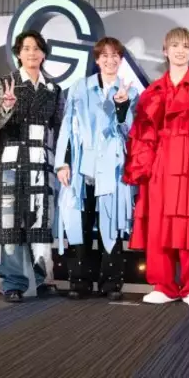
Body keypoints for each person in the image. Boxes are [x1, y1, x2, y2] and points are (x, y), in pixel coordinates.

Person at [123, 27, 189, 307]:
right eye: (175, 45)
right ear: (165, 51)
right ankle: (163, 285)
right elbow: (143, 134)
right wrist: (141, 169)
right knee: (160, 224)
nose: (180, 51)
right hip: (164, 163)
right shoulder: (153, 91)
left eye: (185, 46)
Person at [54, 37, 138, 301]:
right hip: (81, 168)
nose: (110, 60)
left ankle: (111, 283)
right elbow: (67, 126)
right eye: (105, 56)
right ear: (97, 59)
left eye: (115, 56)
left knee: (111, 225)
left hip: (112, 169)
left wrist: (122, 107)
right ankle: (79, 281)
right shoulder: (80, 87)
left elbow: (130, 131)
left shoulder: (131, 91)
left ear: (121, 60)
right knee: (78, 224)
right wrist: (62, 162)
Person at [0, 30, 62, 303]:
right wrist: (6, 108)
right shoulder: (5, 83)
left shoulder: (53, 89)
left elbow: (59, 128)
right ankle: (13, 282)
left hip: (41, 162)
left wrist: (60, 162)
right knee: (10, 221)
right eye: (26, 48)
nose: (32, 53)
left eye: (37, 48)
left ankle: (40, 279)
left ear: (44, 54)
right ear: (18, 53)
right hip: (12, 162)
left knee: (40, 220)